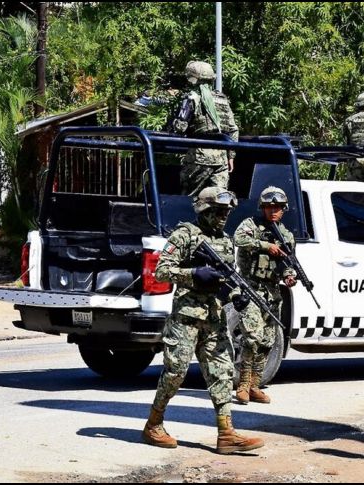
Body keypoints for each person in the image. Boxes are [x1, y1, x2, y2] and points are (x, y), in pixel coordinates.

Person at [141, 187, 264, 455]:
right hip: (186, 318)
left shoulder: (225, 240)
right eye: (218, 212)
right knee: (175, 373)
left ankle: (226, 433)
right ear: (204, 210)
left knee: (221, 373)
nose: (223, 217)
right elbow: (162, 271)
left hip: (214, 318)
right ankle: (153, 424)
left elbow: (224, 279)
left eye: (227, 212)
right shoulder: (184, 235)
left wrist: (235, 295)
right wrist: (194, 273)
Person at [233, 186, 297, 404]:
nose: (273, 211)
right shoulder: (251, 225)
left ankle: (254, 385)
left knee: (267, 342)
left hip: (271, 293)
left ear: (283, 209)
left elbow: (288, 263)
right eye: (269, 207)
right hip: (251, 288)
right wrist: (265, 245)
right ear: (263, 208)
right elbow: (238, 239)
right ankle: (242, 385)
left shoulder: (286, 235)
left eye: (277, 208)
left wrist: (290, 275)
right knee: (251, 337)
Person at [170, 60, 239, 195]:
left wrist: (172, 124)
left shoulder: (192, 98)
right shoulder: (222, 99)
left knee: (190, 200)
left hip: (199, 157)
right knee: (219, 201)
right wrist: (231, 156)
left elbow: (180, 127)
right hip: (222, 159)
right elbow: (233, 129)